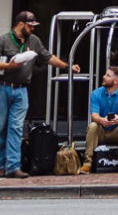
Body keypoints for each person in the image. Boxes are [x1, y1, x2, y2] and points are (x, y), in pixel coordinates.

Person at [0, 11, 80, 179]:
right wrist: (9, 66)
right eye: (30, 26)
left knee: (15, 128)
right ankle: (2, 165)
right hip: (3, 87)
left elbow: (48, 57)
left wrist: (67, 66)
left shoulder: (34, 41)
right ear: (20, 24)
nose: (32, 29)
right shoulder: (4, 40)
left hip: (22, 90)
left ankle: (12, 167)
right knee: (1, 127)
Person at [80, 65, 118, 174]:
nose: (103, 77)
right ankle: (87, 163)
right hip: (101, 131)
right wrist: (102, 120)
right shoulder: (96, 93)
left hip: (117, 132)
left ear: (116, 80)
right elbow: (94, 116)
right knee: (93, 126)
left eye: (108, 75)